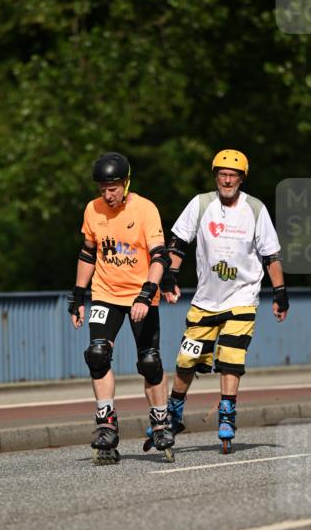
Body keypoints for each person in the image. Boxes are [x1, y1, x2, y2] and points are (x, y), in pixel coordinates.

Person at [160, 149, 289, 454]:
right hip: (205, 300)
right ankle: (174, 412)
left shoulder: (255, 209)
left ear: (242, 179)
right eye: (222, 174)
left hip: (242, 299)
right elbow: (178, 242)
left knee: (231, 358)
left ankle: (227, 414)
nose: (227, 180)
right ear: (215, 176)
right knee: (186, 360)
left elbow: (271, 256)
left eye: (233, 175)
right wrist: (170, 275)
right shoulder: (201, 204)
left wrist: (280, 292)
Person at [67, 152, 175, 463]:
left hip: (141, 293)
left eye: (112, 188)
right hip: (105, 293)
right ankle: (106, 424)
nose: (107, 195)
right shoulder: (93, 210)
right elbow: (88, 254)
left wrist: (147, 294)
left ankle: (160, 422)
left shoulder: (145, 209)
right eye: (102, 189)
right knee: (97, 354)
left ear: (126, 183)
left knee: (150, 361)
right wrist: (78, 296)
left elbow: (159, 256)